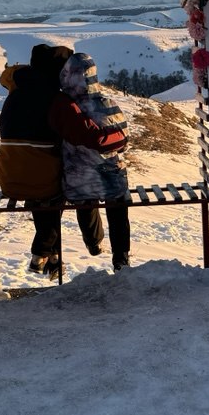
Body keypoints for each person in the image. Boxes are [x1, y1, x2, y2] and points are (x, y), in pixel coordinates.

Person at [0, 44, 126, 280]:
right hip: (40, 181)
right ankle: (48, 250)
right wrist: (120, 138)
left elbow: (5, 76)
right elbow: (90, 137)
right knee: (59, 186)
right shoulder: (56, 100)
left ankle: (47, 255)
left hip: (7, 174)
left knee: (44, 182)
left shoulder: (17, 85)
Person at [59, 53, 131, 271]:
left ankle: (93, 241)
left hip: (77, 179)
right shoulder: (106, 103)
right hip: (109, 177)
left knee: (85, 199)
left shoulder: (66, 107)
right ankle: (121, 255)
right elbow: (123, 139)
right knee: (118, 205)